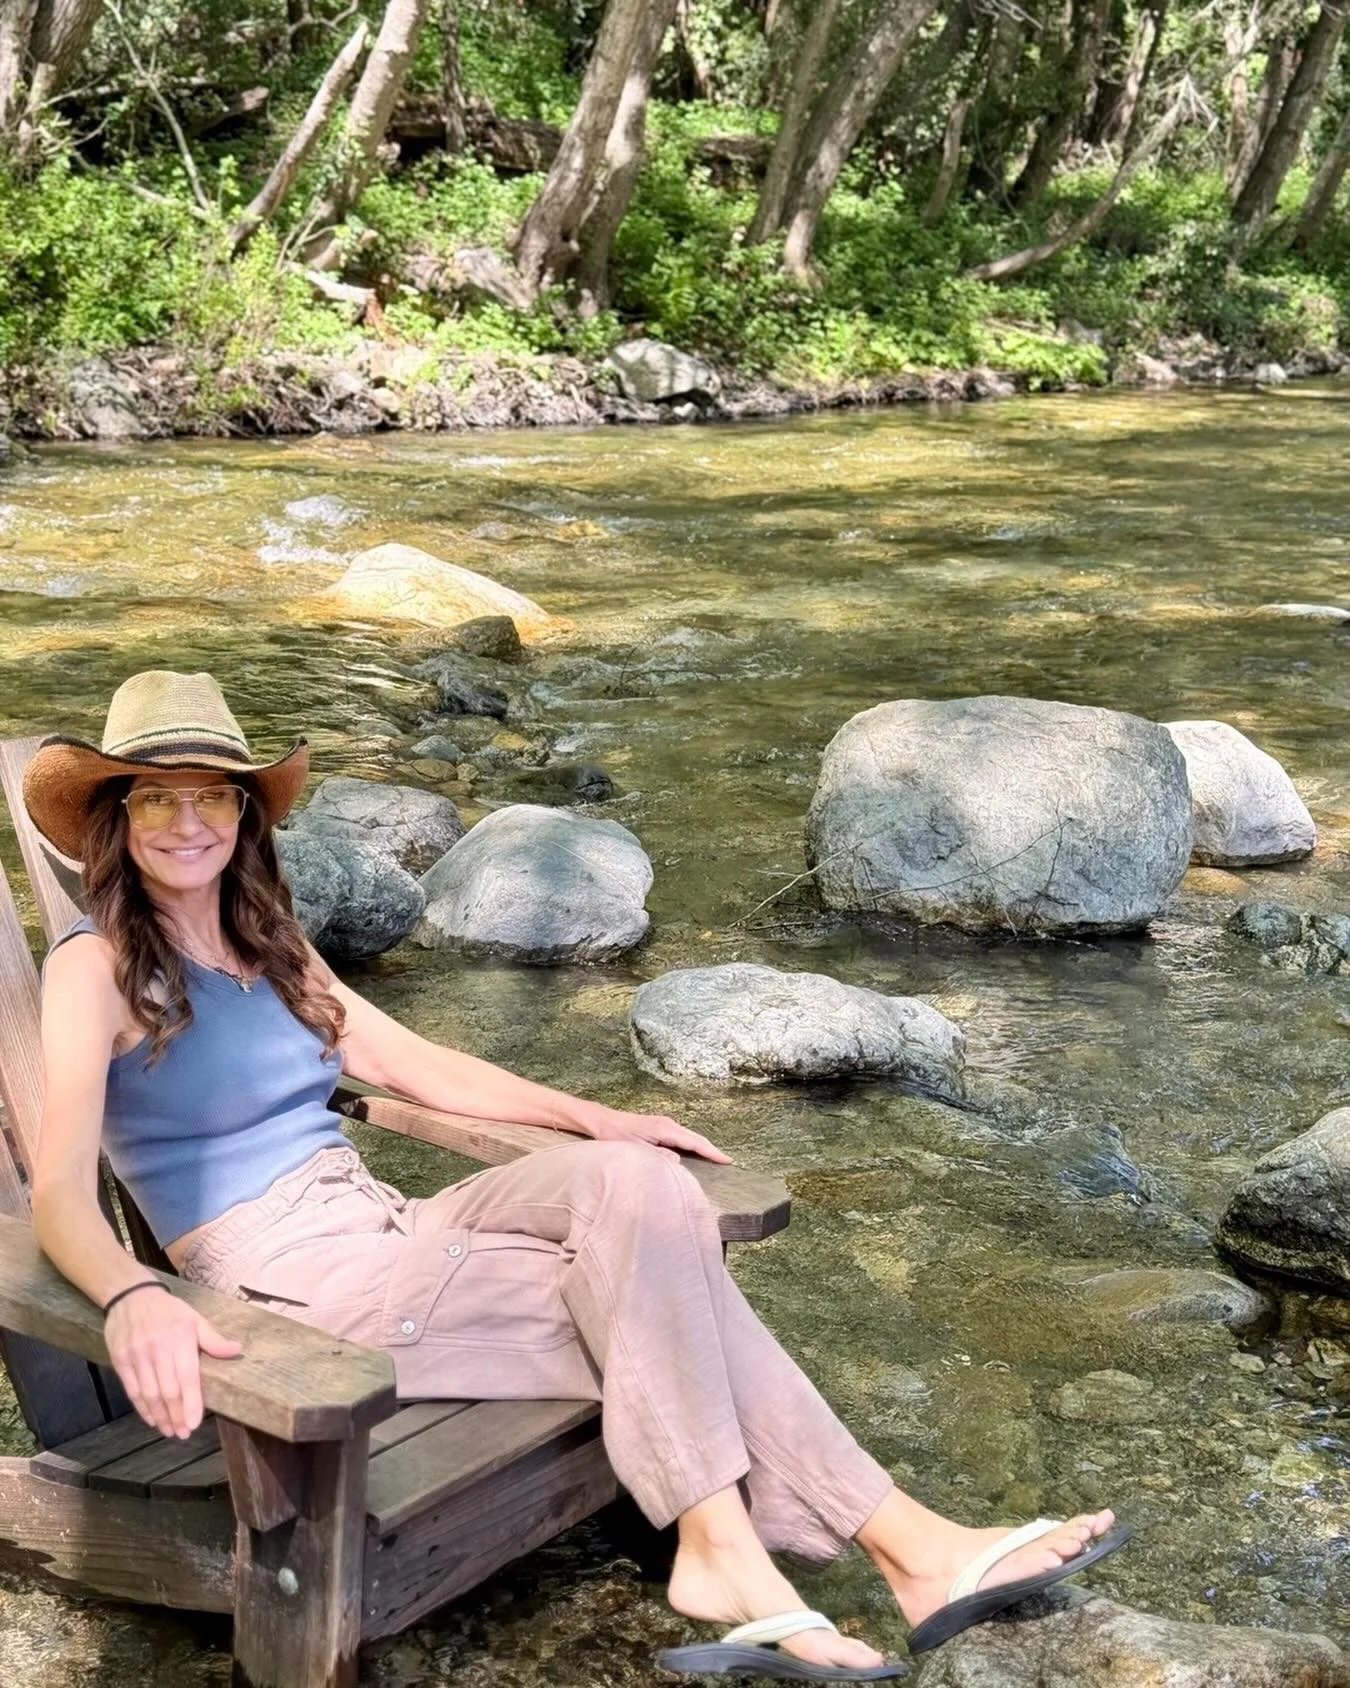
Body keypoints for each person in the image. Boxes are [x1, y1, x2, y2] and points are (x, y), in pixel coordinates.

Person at [25, 671, 1125, 1682]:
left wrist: (596, 1113)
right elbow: (60, 1195)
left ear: (244, 814)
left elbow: (411, 1062)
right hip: (290, 1290)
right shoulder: (97, 967)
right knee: (660, 1294)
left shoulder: (266, 937)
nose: (185, 821)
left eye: (210, 796)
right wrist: (132, 1296)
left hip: (390, 1225)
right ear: (115, 821)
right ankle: (891, 1547)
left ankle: (736, 1548)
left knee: (638, 1181)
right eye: (154, 798)